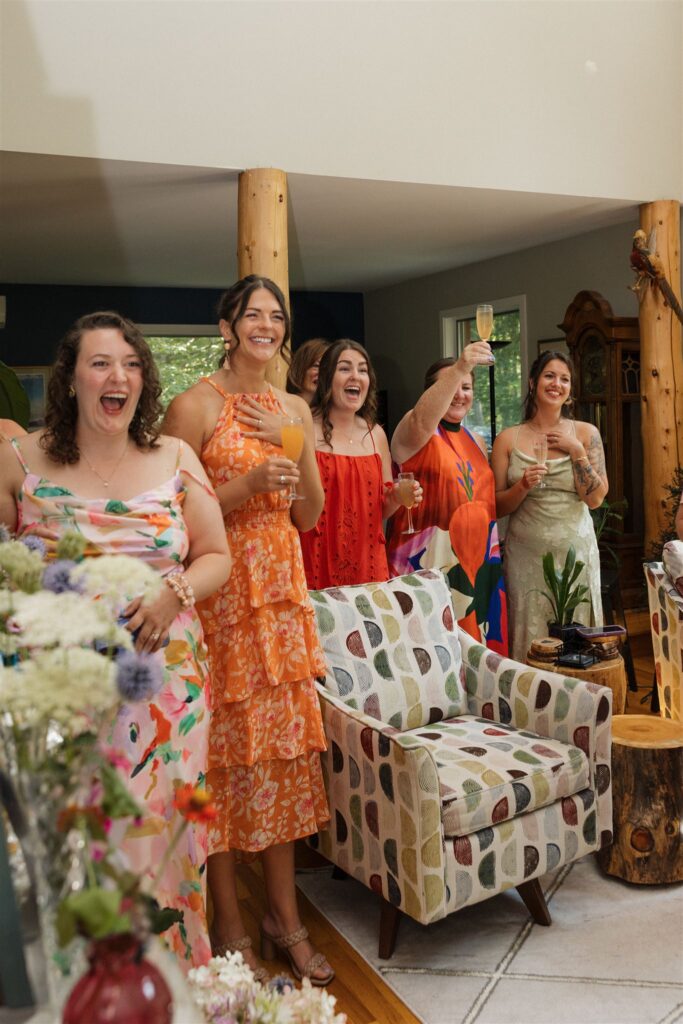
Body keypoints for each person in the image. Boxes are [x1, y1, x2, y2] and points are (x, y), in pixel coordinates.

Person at [0, 311, 231, 971]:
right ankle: (73, 984)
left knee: (163, 838)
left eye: (130, 365)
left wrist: (173, 594)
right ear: (69, 379)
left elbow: (216, 555)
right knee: (71, 832)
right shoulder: (18, 460)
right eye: (100, 363)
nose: (118, 376)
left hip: (166, 694)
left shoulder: (175, 459)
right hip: (60, 691)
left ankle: (171, 980)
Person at [162, 275, 334, 986]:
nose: (265, 324)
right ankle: (229, 923)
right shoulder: (193, 407)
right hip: (222, 604)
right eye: (251, 315)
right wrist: (244, 485)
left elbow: (308, 515)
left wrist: (293, 448)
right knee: (225, 766)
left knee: (283, 764)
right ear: (227, 326)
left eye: (275, 315)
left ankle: (283, 918)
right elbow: (171, 521)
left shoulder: (291, 403)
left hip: (281, 603)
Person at [388, 344, 508, 655]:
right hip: (430, 563)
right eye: (451, 386)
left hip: (479, 565)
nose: (459, 393)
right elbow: (421, 420)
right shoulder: (416, 431)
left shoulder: (476, 440)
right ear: (432, 393)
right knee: (431, 651)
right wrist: (460, 367)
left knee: (478, 656)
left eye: (466, 387)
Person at [491, 351, 608, 661]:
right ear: (533, 383)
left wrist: (575, 451)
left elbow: (595, 499)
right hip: (526, 558)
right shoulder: (508, 439)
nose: (557, 384)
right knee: (529, 635)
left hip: (576, 555)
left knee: (578, 640)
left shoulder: (586, 434)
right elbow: (495, 507)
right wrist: (523, 485)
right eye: (549, 376)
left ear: (570, 392)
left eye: (565, 379)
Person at [299, 338, 421, 589]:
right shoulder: (303, 429)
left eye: (362, 370)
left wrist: (397, 497)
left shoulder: (375, 434)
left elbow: (382, 508)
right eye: (344, 368)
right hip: (316, 561)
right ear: (326, 379)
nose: (355, 376)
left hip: (368, 565)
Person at [286, 338, 330, 405]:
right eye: (316, 366)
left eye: (328, 368)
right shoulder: (281, 406)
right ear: (299, 368)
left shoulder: (333, 413)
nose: (323, 372)